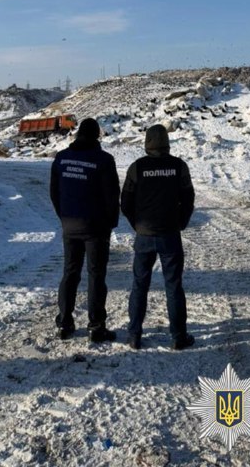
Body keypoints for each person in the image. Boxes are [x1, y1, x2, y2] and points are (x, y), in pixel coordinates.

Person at [121, 123, 195, 350]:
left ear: (147, 143)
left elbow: (125, 202)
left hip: (144, 235)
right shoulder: (178, 166)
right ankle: (178, 336)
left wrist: (137, 225)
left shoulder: (137, 167)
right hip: (170, 234)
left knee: (139, 285)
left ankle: (134, 335)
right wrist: (181, 222)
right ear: (167, 142)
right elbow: (189, 198)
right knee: (173, 286)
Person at [50, 117, 120, 342]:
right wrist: (111, 222)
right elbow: (112, 195)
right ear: (97, 135)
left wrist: (64, 216)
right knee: (96, 275)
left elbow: (54, 192)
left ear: (78, 133)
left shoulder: (61, 158)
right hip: (96, 227)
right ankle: (96, 326)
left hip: (70, 225)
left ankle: (64, 322)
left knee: (70, 272)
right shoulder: (104, 160)